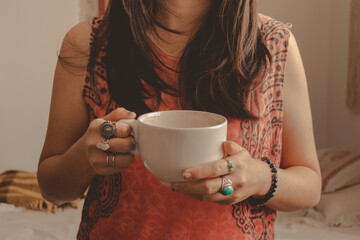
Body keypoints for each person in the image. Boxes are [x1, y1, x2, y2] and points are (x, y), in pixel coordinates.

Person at [37, 0, 322, 239]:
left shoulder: (273, 45)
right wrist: (86, 157)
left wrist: (259, 178)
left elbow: (310, 186)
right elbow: (52, 188)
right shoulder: (88, 43)